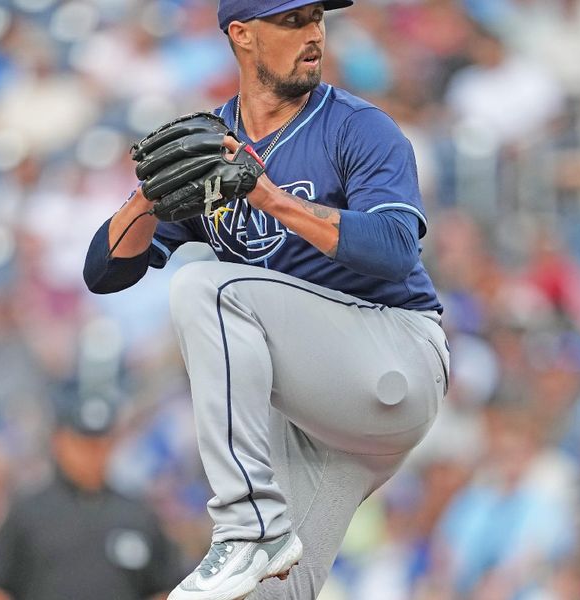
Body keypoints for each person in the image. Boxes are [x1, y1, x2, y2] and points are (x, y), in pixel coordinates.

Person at [83, 1, 450, 598]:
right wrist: (145, 198)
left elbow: (394, 247)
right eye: (291, 20)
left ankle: (246, 526)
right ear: (242, 35)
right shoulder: (213, 143)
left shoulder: (356, 126)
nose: (312, 34)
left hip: (391, 356)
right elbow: (104, 273)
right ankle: (256, 540)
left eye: (316, 19)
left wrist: (272, 198)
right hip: (310, 413)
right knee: (259, 593)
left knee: (206, 286)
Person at [0, 394, 182, 600]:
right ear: (59, 442)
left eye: (101, 444)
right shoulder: (28, 513)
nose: (93, 455)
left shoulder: (138, 515)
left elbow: (164, 588)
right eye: (83, 444)